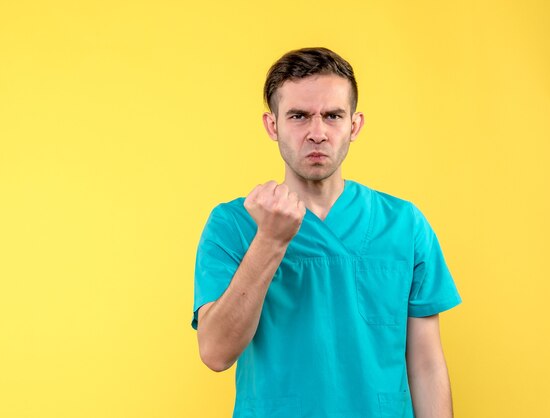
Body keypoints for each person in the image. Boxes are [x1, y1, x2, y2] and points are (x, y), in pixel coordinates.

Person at [191, 47, 462, 418]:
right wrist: (269, 241)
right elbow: (216, 353)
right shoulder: (233, 224)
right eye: (299, 116)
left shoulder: (404, 224)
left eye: (332, 116)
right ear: (273, 125)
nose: (317, 133)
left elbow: (427, 365)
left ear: (355, 124)